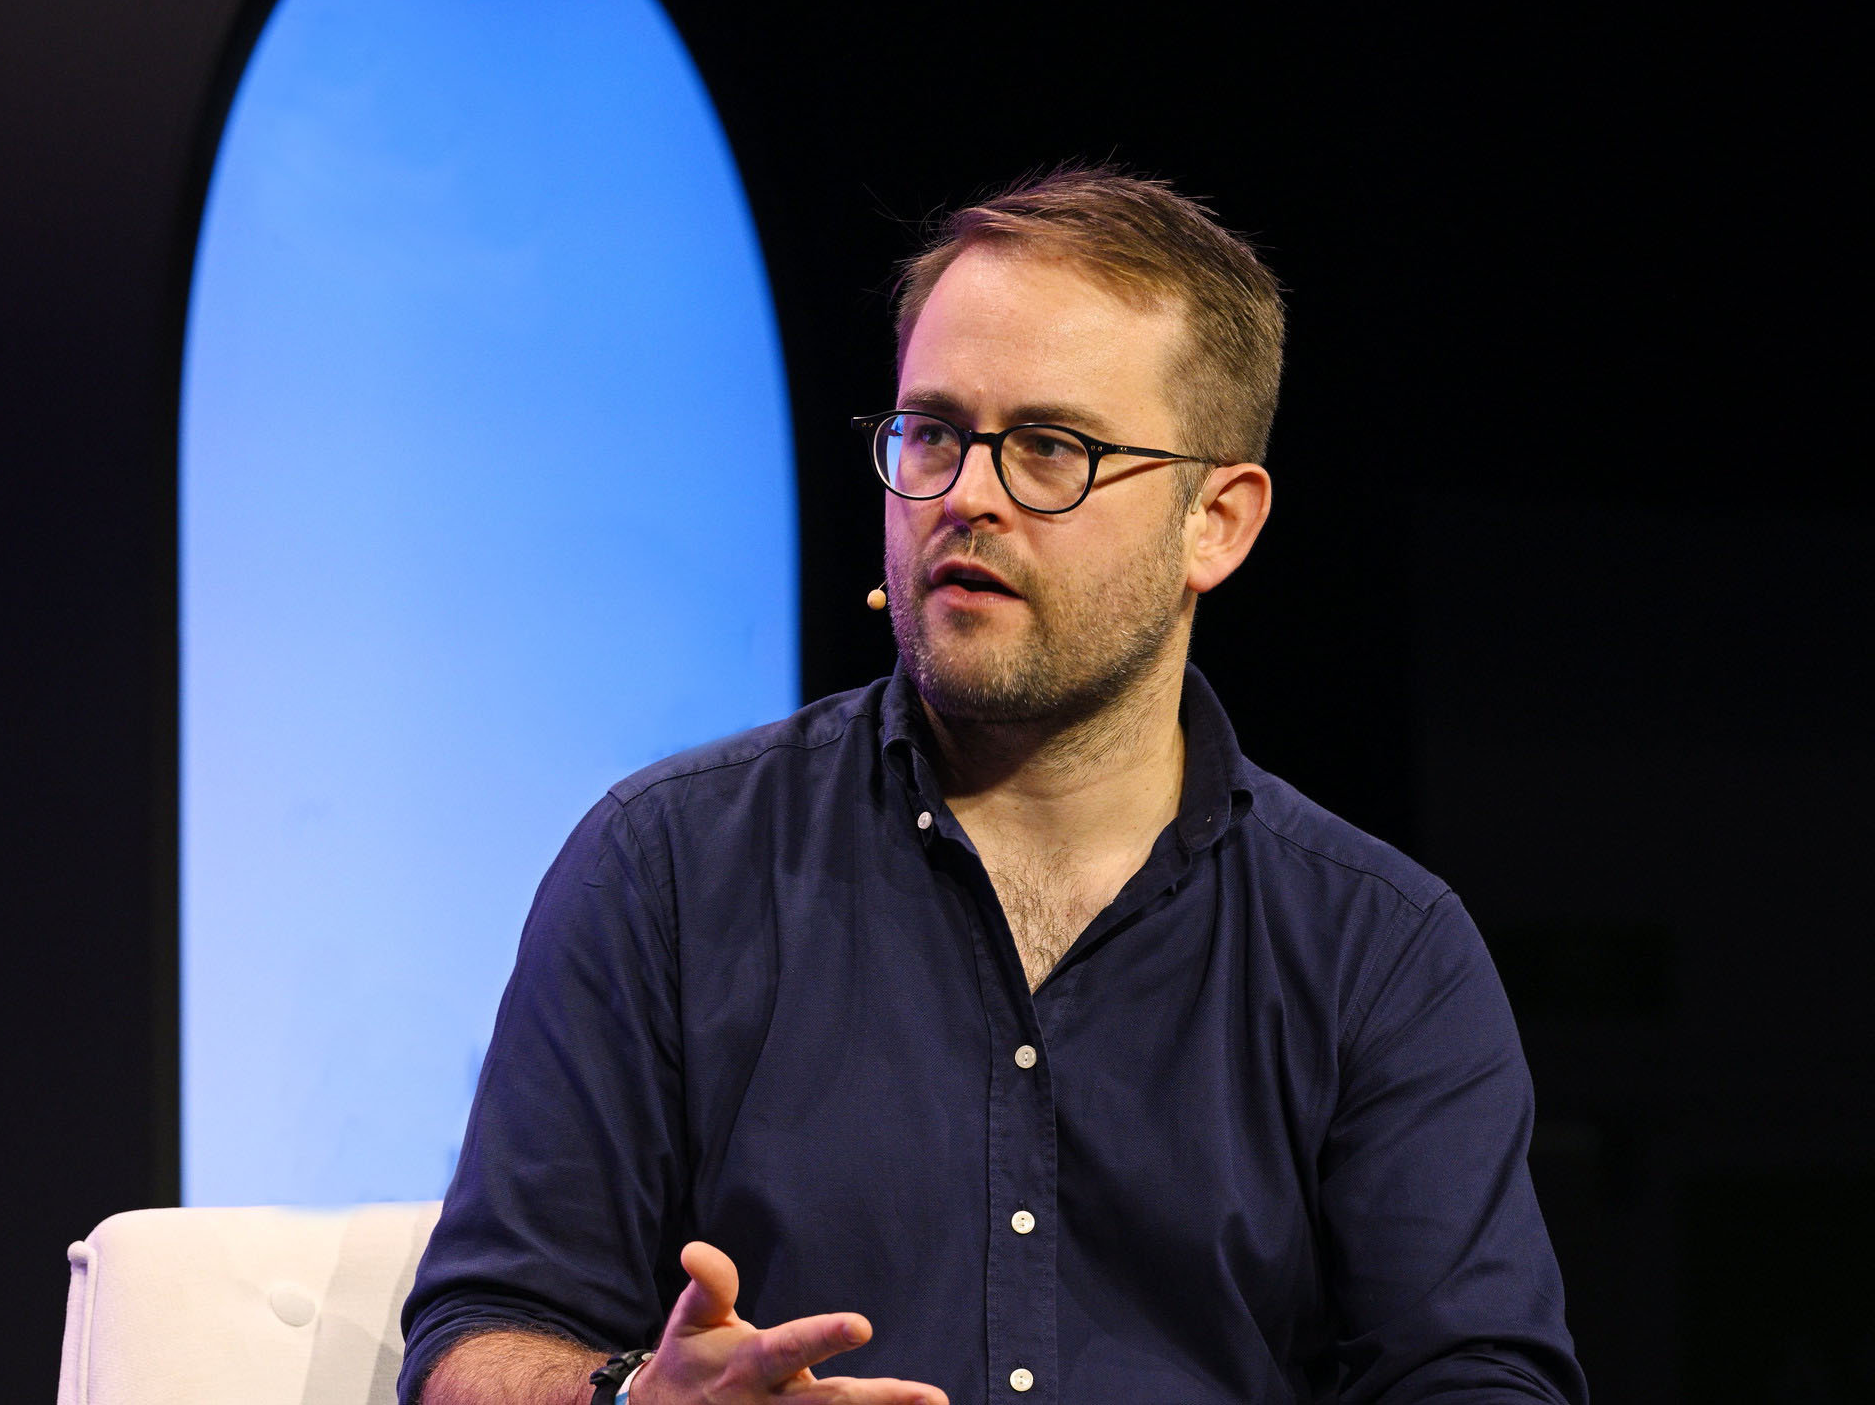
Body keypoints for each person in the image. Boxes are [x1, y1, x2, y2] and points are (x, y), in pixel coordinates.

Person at [399, 167, 1587, 1405]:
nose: (965, 494)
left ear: (1216, 523)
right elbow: (480, 1336)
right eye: (931, 432)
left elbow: (1474, 1375)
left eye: (1048, 449)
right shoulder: (666, 869)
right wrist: (632, 1398)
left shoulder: (1377, 950)